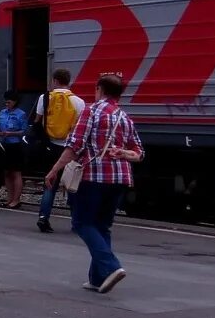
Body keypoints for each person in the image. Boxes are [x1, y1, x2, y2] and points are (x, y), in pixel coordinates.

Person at [45, 73, 144, 294]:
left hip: (93, 177)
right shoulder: (125, 117)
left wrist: (54, 170)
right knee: (102, 226)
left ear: (98, 89)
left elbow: (75, 145)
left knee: (81, 223)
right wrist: (123, 152)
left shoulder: (91, 111)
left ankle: (111, 266)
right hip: (120, 179)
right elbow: (139, 153)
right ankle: (98, 279)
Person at [34, 68, 87, 233]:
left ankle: (43, 217)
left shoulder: (45, 98)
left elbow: (37, 122)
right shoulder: (79, 102)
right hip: (70, 149)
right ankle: (76, 221)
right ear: (68, 81)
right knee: (72, 184)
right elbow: (80, 127)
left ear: (55, 80)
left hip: (51, 147)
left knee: (50, 183)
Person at [0, 90, 28, 209]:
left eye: (9, 101)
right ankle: (9, 198)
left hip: (15, 145)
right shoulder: (2, 113)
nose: (7, 103)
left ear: (15, 102)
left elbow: (24, 131)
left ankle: (16, 199)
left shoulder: (21, 114)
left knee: (16, 172)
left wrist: (10, 133)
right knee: (7, 172)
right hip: (4, 145)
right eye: (6, 101)